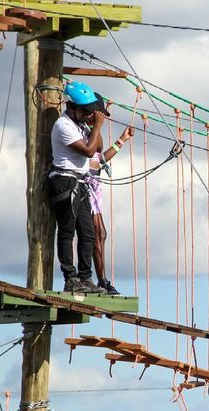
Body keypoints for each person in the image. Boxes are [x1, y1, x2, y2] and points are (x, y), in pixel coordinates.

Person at [48, 81, 109, 294]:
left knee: (88, 232)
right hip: (65, 180)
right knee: (67, 231)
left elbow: (99, 147)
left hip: (81, 182)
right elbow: (88, 151)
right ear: (71, 107)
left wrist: (94, 125)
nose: (87, 115)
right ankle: (71, 277)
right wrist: (98, 126)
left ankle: (85, 277)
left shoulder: (81, 125)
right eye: (85, 111)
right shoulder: (63, 125)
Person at [84, 93, 134, 295]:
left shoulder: (91, 130)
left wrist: (122, 140)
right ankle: (99, 279)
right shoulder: (86, 130)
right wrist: (97, 126)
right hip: (85, 184)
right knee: (96, 233)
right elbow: (89, 154)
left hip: (94, 184)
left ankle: (102, 279)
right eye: (100, 114)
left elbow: (100, 159)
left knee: (100, 234)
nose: (102, 118)